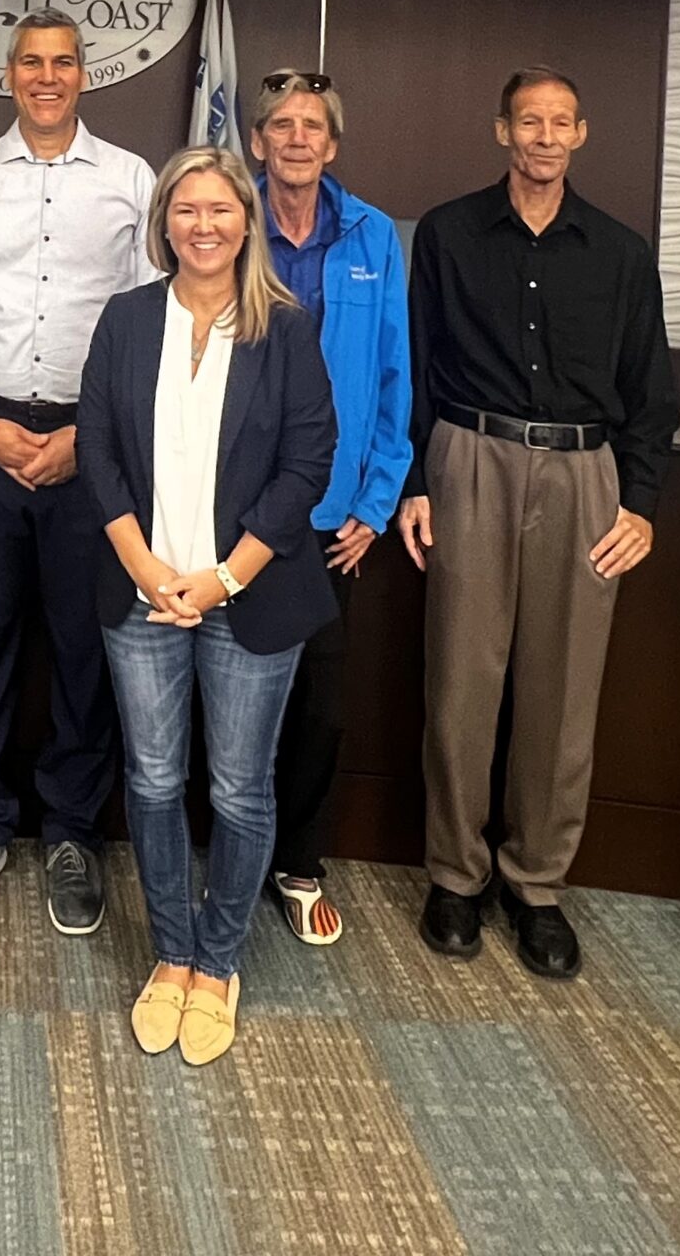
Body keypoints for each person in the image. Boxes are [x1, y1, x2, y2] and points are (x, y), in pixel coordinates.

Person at [396, 66, 676, 980]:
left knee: (563, 691)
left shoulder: (622, 254)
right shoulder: (445, 233)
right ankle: (455, 874)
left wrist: (639, 502)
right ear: (502, 132)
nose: (545, 137)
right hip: (469, 459)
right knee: (462, 680)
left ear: (582, 134)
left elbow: (651, 395)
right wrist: (412, 481)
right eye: (529, 121)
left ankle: (537, 882)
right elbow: (418, 365)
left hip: (585, 473)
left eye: (561, 122)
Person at [81, 146, 336, 1064]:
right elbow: (99, 450)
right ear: (165, 223)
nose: (203, 225)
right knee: (152, 780)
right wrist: (148, 566)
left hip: (249, 597)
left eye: (220, 210)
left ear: (246, 222)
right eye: (185, 209)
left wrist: (224, 577)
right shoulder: (125, 319)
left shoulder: (288, 329)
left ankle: (220, 959)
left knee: (237, 787)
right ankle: (172, 954)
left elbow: (308, 465)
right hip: (144, 589)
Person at [0, 8, 156, 935]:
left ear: (84, 76)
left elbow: (146, 323)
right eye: (30, 62)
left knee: (84, 650)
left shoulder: (131, 179)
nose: (46, 77)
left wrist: (89, 440)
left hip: (92, 450)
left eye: (63, 63)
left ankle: (72, 834)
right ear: (7, 75)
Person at [249, 70, 411, 945]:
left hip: (331, 520)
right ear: (259, 144)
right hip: (237, 514)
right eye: (282, 125)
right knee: (229, 699)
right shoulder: (229, 226)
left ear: (332, 145)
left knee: (321, 703)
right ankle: (229, 854)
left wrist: (377, 503)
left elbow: (395, 376)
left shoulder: (374, 237)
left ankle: (299, 863)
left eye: (313, 126)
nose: (298, 138)